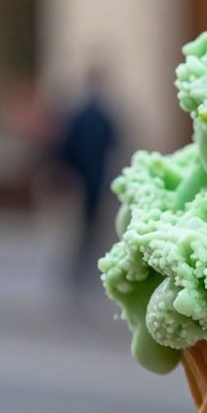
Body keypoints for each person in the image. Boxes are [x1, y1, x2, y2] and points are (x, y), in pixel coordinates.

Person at [56, 67, 118, 287]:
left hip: (88, 178)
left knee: (87, 226)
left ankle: (82, 269)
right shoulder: (98, 114)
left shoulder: (85, 114)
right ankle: (85, 268)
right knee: (88, 226)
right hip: (93, 177)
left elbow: (67, 146)